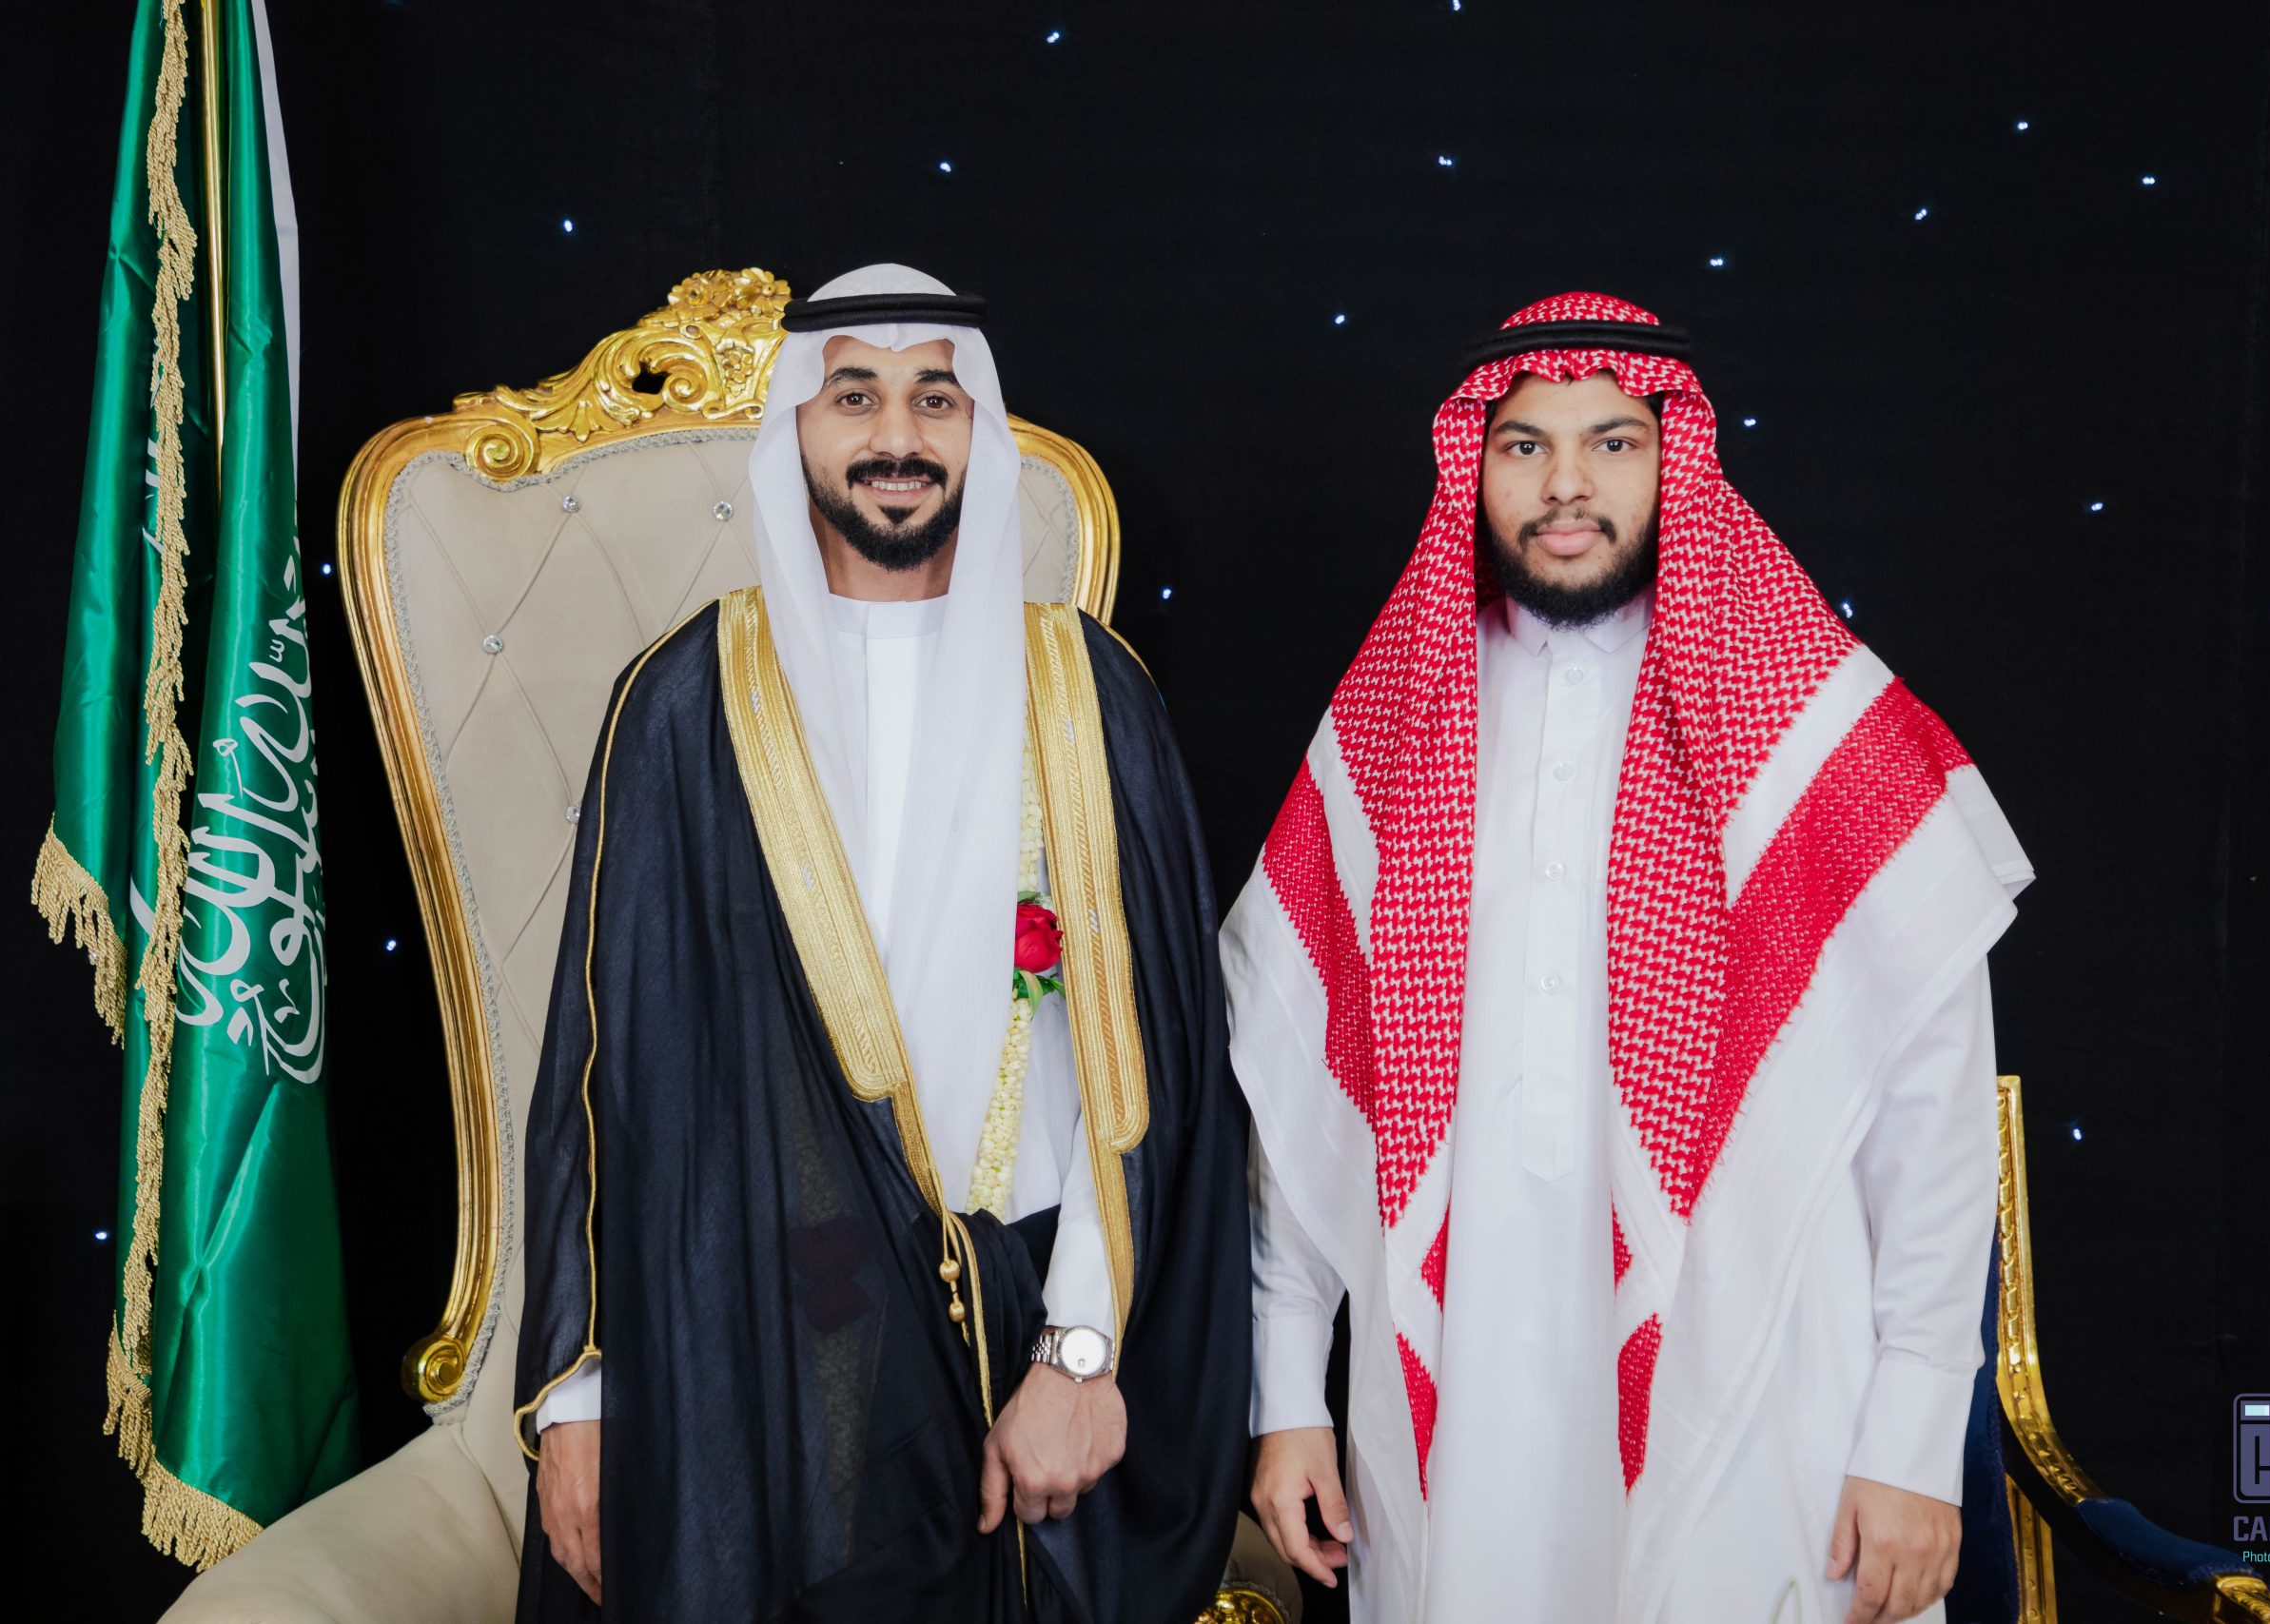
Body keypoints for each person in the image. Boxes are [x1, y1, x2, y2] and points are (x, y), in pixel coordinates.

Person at [1224, 293, 2033, 1624]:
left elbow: (1932, 1118)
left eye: (1611, 443)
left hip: (1763, 1378)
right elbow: (1303, 1094)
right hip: (1458, 1385)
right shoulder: (1395, 721)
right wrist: (1288, 1396)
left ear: (1677, 461)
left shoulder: (1808, 727)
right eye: (1525, 446)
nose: (1567, 485)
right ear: (1474, 466)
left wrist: (1912, 1441)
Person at [513, 264, 1248, 1622]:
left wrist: (1082, 1354)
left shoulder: (1089, 693)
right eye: (854, 397)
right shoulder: (685, 701)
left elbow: (1157, 1070)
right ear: (795, 423)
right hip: (764, 1362)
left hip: (1034, 1350)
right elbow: (604, 1077)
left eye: (934, 400)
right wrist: (580, 1401)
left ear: (981, 431)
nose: (896, 437)